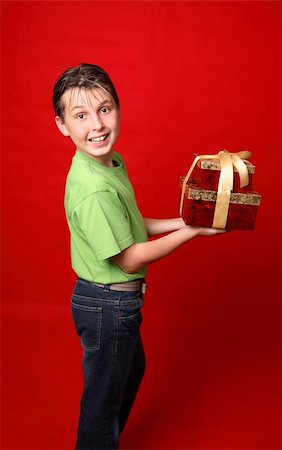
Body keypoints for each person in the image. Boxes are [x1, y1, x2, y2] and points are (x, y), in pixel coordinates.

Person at [53, 63, 223, 450]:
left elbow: (130, 222)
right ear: (62, 124)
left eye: (104, 109)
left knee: (128, 373)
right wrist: (192, 231)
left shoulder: (110, 162)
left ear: (118, 108)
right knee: (103, 401)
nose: (96, 124)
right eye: (80, 115)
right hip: (107, 305)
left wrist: (185, 218)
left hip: (117, 304)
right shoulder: (94, 189)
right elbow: (129, 259)